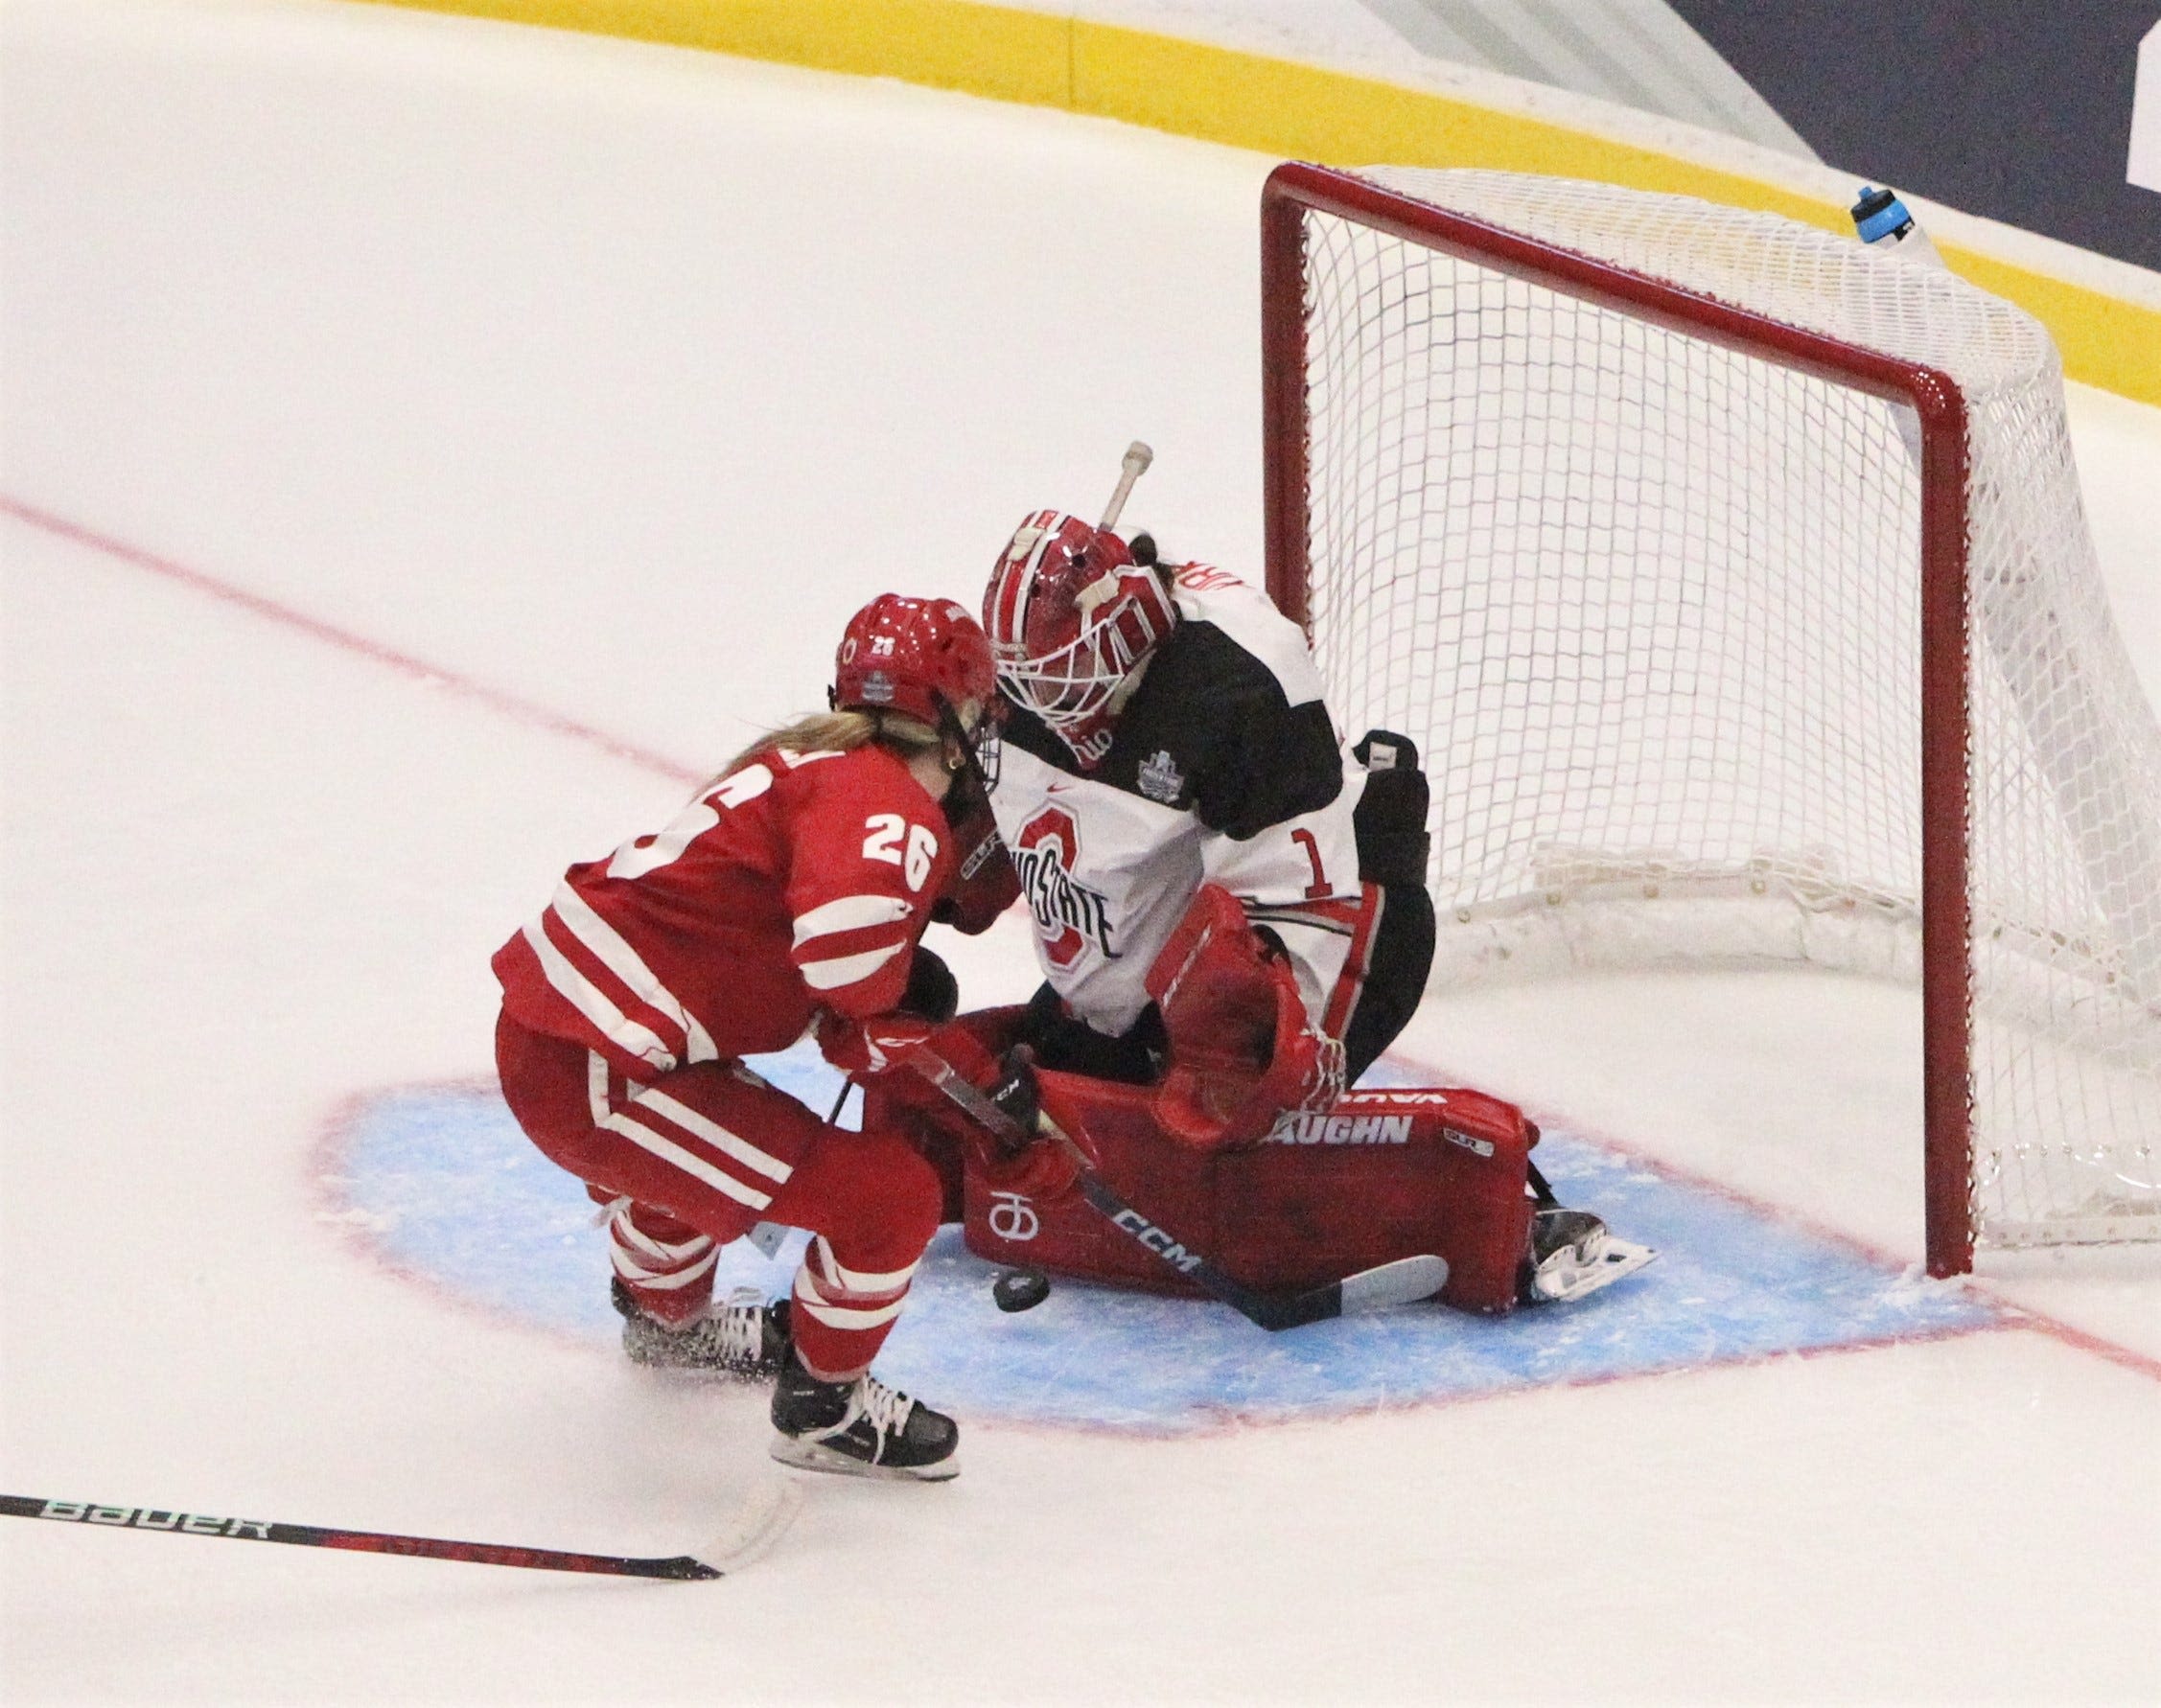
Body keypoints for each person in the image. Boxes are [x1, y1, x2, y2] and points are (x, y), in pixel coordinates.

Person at [975, 498, 1614, 1301]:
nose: (1054, 708)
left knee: (1226, 1112)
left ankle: (1494, 1212)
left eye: (1070, 680)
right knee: (1062, 1092)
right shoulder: (1017, 687)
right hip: (1158, 951)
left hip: (1345, 915)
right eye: (1033, 685)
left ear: (1127, 630)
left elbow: (1298, 908)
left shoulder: (1234, 678)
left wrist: (1260, 1053)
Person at [490, 592, 1063, 1479]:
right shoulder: (887, 800)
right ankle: (824, 1411)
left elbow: (831, 1004)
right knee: (891, 1202)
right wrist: (904, 1005)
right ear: (955, 723)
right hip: (601, 1072)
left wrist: (891, 1019)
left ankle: (663, 1321)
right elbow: (843, 967)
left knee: (710, 1155)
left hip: (579, 1043)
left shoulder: (805, 762)